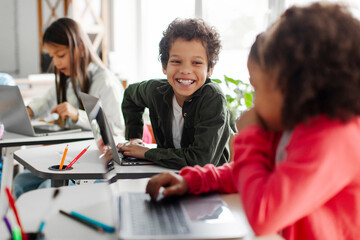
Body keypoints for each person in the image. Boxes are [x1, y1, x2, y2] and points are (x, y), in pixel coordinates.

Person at [145, 3, 360, 239]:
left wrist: (250, 134)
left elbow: (264, 216)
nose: (254, 103)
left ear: (292, 88)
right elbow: (244, 174)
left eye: (257, 88)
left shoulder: (333, 139)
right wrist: (191, 181)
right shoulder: (290, 123)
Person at [13, 18, 125, 198]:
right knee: (20, 182)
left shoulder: (105, 82)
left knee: (46, 189)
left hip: (93, 159)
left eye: (60, 55)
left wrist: (76, 115)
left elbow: (118, 132)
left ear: (80, 48)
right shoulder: (68, 80)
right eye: (52, 57)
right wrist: (27, 111)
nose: (56, 63)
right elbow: (45, 100)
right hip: (70, 155)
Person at [118, 18, 232, 169]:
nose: (185, 70)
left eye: (196, 63)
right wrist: (134, 139)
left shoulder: (212, 98)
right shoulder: (156, 91)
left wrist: (146, 153)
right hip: (164, 173)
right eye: (176, 61)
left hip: (206, 184)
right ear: (165, 66)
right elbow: (130, 96)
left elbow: (201, 160)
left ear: (210, 69)